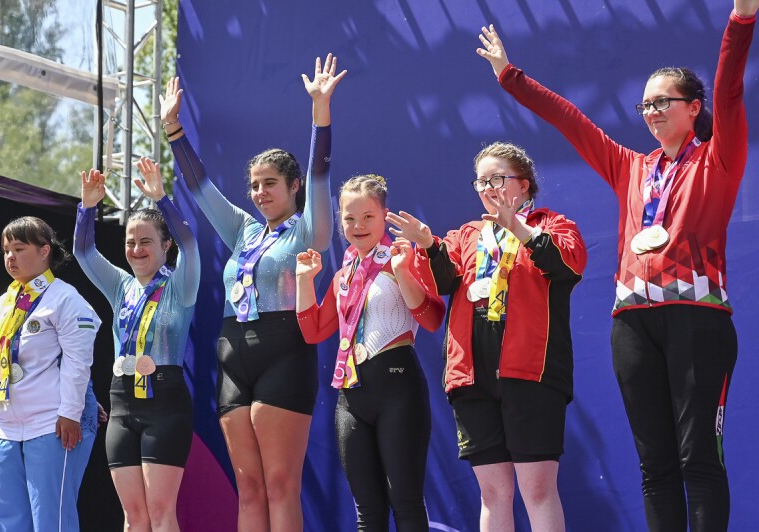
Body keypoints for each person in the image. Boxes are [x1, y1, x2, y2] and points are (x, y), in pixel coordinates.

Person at [475, 1, 757, 529]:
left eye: (663, 102)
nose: (651, 112)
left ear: (694, 107)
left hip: (697, 318)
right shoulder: (630, 166)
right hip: (631, 324)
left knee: (698, 459)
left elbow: (731, 88)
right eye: (645, 105)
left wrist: (741, 20)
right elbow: (571, 121)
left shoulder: (719, 157)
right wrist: (509, 77)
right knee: (654, 466)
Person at [161, 54, 345, 531]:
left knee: (281, 483)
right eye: (255, 186)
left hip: (285, 353)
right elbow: (202, 191)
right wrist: (173, 132)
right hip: (232, 357)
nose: (260, 193)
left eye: (271, 184)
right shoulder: (243, 230)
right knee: (249, 487)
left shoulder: (309, 231)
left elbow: (322, 174)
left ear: (293, 186)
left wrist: (319, 116)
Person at [387, 143, 586, 532]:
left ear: (524, 185)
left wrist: (519, 228)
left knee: (538, 490)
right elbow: (442, 282)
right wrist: (428, 244)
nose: (487, 188)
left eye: (497, 179)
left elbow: (568, 266)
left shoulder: (552, 226)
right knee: (493, 494)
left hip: (532, 373)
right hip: (472, 377)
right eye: (481, 181)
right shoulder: (467, 234)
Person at [295, 174, 445, 531]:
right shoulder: (342, 275)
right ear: (339, 220)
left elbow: (434, 318)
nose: (358, 225)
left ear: (384, 216)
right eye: (349, 218)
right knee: (367, 510)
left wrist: (403, 272)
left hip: (398, 389)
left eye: (368, 217)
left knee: (406, 502)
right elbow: (314, 331)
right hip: (351, 398)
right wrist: (303, 280)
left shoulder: (402, 258)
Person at [74, 157, 200, 532]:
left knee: (161, 514)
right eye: (131, 242)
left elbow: (191, 244)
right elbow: (83, 253)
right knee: (133, 518)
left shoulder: (180, 285)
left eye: (146, 241)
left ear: (165, 245)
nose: (137, 249)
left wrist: (163, 199)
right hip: (121, 402)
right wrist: (87, 208)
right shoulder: (120, 286)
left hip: (166, 404)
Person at [0, 216, 101, 532]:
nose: (11, 257)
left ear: (44, 250)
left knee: (52, 520)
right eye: (6, 250)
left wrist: (71, 413)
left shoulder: (65, 298)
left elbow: (78, 362)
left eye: (19, 249)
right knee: (10, 522)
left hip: (50, 423)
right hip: (6, 427)